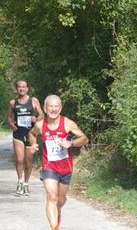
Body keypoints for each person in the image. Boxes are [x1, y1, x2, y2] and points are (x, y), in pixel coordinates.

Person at [28, 95, 88, 230]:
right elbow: (32, 134)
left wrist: (71, 142)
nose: (53, 109)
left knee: (60, 201)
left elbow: (84, 139)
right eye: (50, 106)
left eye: (56, 106)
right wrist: (33, 144)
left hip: (65, 168)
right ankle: (54, 227)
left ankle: (57, 213)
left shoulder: (68, 124)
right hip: (49, 166)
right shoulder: (40, 125)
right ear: (45, 108)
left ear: (60, 109)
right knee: (52, 197)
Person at [7, 80, 44, 196]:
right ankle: (20, 181)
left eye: (23, 87)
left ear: (27, 88)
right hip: (18, 133)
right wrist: (11, 124)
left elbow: (42, 114)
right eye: (19, 87)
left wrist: (36, 119)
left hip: (31, 134)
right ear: (16, 89)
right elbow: (8, 117)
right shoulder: (13, 103)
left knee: (28, 161)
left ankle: (27, 183)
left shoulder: (33, 101)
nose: (21, 89)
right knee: (19, 159)